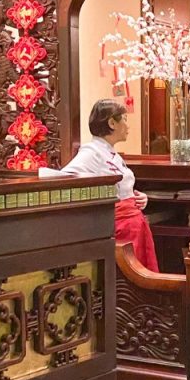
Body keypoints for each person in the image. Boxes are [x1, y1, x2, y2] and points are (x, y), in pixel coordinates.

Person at [59, 99, 159, 271]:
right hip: (118, 225)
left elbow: (118, 183)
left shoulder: (111, 153)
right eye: (125, 119)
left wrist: (135, 195)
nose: (128, 126)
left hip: (132, 224)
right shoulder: (91, 152)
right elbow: (65, 180)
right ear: (112, 123)